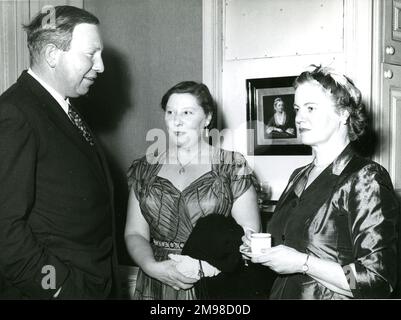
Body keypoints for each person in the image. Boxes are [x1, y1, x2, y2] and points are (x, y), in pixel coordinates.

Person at [244, 65, 400, 299]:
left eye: (311, 108)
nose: (298, 118)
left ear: (343, 114)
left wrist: (304, 263)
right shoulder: (299, 175)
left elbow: (376, 280)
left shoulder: (366, 177)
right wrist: (260, 252)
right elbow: (289, 248)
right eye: (296, 109)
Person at [0, 6, 120, 299]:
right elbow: (4, 227)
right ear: (53, 55)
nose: (101, 66)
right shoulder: (15, 113)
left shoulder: (61, 108)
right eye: (91, 54)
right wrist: (59, 289)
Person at [125, 81, 261, 299]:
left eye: (187, 112)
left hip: (212, 280)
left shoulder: (231, 166)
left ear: (207, 118)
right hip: (157, 279)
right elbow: (134, 232)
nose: (177, 121)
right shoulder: (144, 168)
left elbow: (249, 232)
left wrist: (203, 265)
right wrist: (151, 267)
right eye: (170, 112)